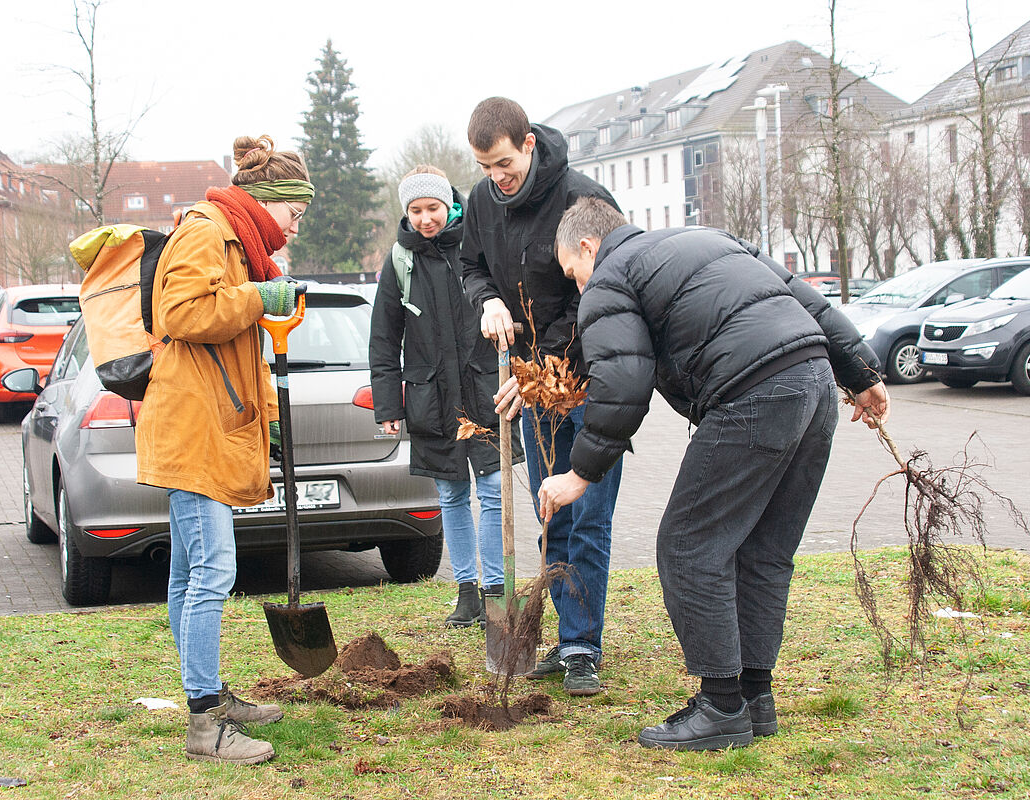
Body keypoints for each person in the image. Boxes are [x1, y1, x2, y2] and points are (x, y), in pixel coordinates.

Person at [533, 198, 891, 751]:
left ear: (588, 246)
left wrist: (579, 473)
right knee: (762, 551)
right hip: (815, 384)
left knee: (688, 546)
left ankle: (721, 707)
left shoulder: (610, 276)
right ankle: (754, 697)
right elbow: (807, 301)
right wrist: (861, 372)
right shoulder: (709, 239)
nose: (579, 287)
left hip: (753, 392)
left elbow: (624, 384)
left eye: (572, 273)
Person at [135, 134, 314, 765]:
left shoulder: (235, 239)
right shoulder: (209, 231)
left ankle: (208, 696)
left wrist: (262, 417)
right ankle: (206, 723)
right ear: (269, 200)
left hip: (209, 421)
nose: (294, 226)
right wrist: (257, 298)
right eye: (294, 212)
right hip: (191, 427)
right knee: (213, 569)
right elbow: (179, 313)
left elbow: (232, 346)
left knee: (191, 573)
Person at [461, 97, 623, 696]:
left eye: (502, 164)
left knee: (587, 514)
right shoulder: (482, 201)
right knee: (550, 509)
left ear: (528, 144)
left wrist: (545, 363)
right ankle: (566, 632)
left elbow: (603, 291)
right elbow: (469, 264)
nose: (495, 179)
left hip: (588, 380)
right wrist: (488, 300)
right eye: (484, 168)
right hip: (532, 380)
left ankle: (583, 645)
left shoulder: (582, 200)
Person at [369, 165, 523, 628]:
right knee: (452, 495)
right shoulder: (399, 262)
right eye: (415, 210)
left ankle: (496, 587)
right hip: (430, 400)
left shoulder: (475, 248)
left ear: (450, 204)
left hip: (484, 391)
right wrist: (388, 406)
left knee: (494, 489)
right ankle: (466, 593)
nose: (425, 219)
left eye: (432, 208)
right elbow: (383, 338)